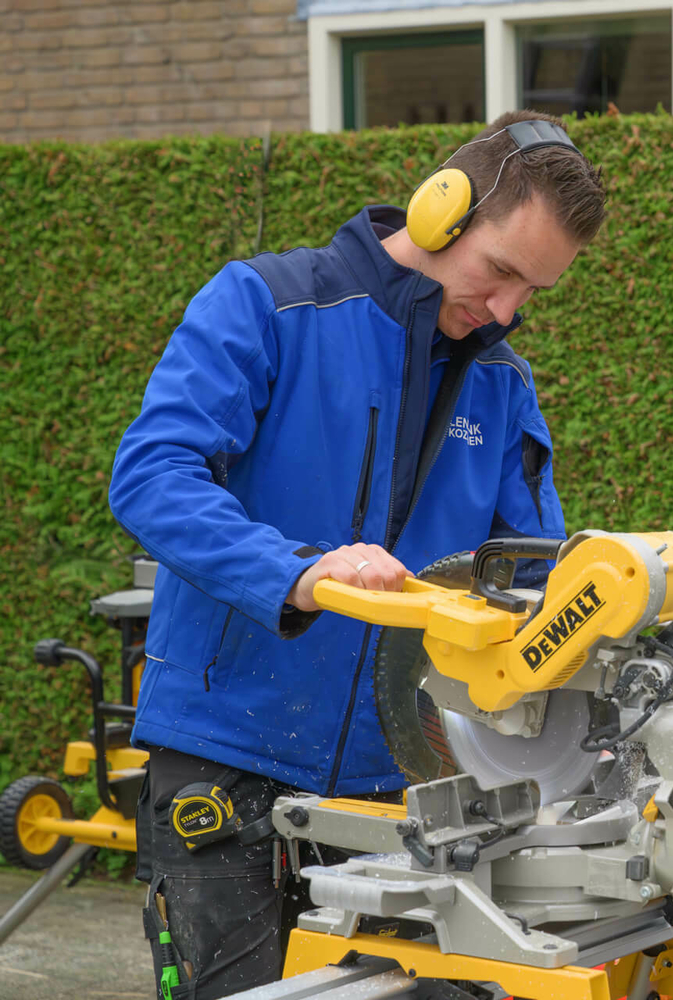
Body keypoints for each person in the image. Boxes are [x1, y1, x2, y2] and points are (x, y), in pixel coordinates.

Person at [109, 109, 607, 999]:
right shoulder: (266, 304)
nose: (504, 312)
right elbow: (152, 476)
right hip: (227, 758)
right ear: (440, 211)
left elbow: (532, 580)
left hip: (403, 789)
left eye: (532, 293)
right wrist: (295, 571)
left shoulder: (501, 383)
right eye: (498, 273)